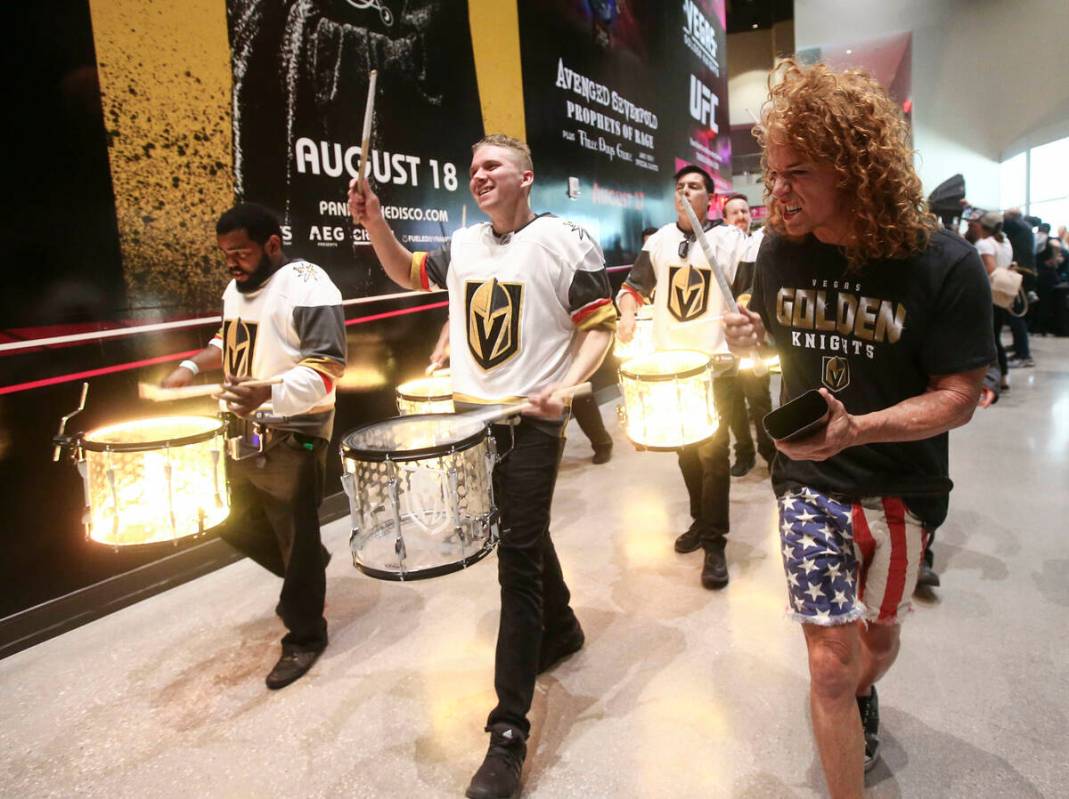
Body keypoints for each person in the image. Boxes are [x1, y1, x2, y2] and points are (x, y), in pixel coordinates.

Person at [724, 60, 993, 795]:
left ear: (852, 169)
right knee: (828, 665)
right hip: (809, 480)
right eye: (770, 172)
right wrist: (755, 340)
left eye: (795, 174)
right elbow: (790, 344)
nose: (773, 191)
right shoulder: (780, 248)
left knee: (876, 639)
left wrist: (860, 427)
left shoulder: (944, 264)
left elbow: (959, 395)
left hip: (901, 487)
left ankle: (863, 689)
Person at [348, 134, 615, 799]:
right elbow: (408, 272)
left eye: (491, 165)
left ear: (527, 175)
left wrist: (568, 386)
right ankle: (563, 626)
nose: (479, 176)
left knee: (515, 559)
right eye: (472, 168)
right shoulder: (464, 244)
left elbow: (600, 325)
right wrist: (376, 223)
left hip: (530, 423)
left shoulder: (565, 241)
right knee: (521, 535)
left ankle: (507, 731)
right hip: (471, 422)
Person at [162, 202, 346, 690]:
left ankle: (306, 635)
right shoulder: (235, 288)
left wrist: (269, 390)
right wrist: (191, 366)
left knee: (295, 529)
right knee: (232, 518)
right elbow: (229, 340)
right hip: (246, 427)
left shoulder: (308, 284)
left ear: (272, 244)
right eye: (225, 252)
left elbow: (328, 366)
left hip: (296, 427)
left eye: (240, 251)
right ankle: (305, 570)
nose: (232, 261)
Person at [617, 165, 747, 590]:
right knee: (685, 451)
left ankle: (715, 542)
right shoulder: (659, 242)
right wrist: (628, 312)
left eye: (694, 187)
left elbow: (746, 292)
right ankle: (699, 520)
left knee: (713, 453)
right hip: (673, 367)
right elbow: (632, 286)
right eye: (680, 187)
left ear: (710, 198)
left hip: (716, 364)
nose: (685, 191)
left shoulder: (728, 240)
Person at [428, 320, 614, 463]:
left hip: (553, 344)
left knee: (571, 393)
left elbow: (589, 324)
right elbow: (455, 319)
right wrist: (441, 348)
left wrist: (573, 359)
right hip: (520, 356)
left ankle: (601, 442)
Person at [720, 192, 775, 476]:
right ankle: (744, 454)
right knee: (733, 405)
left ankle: (770, 451)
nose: (741, 216)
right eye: (734, 212)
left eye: (744, 211)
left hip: (754, 344)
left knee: (760, 399)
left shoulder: (760, 247)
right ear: (724, 219)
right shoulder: (714, 250)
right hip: (722, 346)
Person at [972, 211, 1016, 386]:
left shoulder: (984, 244)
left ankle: (994, 376)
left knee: (989, 338)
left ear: (983, 226)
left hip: (988, 296)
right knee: (995, 336)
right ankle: (1002, 375)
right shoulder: (1005, 242)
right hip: (1002, 296)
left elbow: (991, 269)